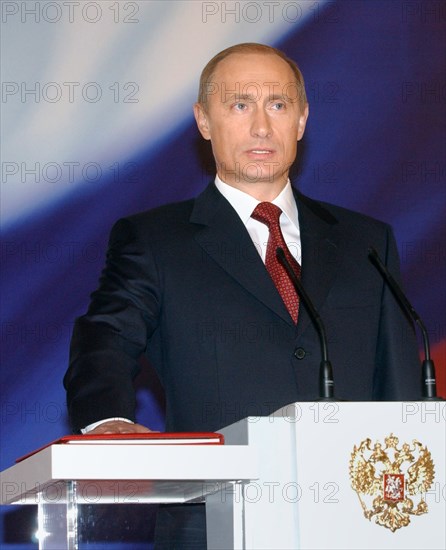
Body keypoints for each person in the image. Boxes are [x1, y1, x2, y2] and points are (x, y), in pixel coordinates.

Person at [64, 43, 421, 548]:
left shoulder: (368, 242)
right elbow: (105, 337)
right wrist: (109, 423)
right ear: (203, 121)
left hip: (356, 524)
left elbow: (400, 392)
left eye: (277, 105)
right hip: (217, 525)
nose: (261, 127)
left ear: (301, 121)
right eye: (239, 105)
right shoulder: (156, 240)